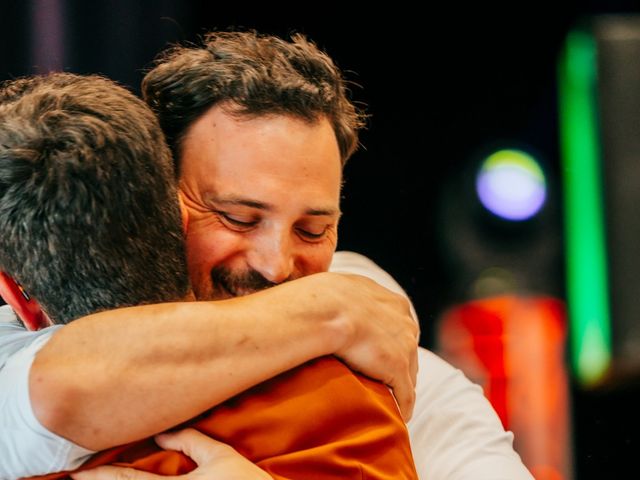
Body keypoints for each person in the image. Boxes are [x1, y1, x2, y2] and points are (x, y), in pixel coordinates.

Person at [0, 72, 418, 480]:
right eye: (237, 218)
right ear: (165, 203)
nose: (276, 268)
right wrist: (333, 311)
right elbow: (59, 385)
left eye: (313, 230)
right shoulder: (351, 329)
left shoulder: (388, 352)